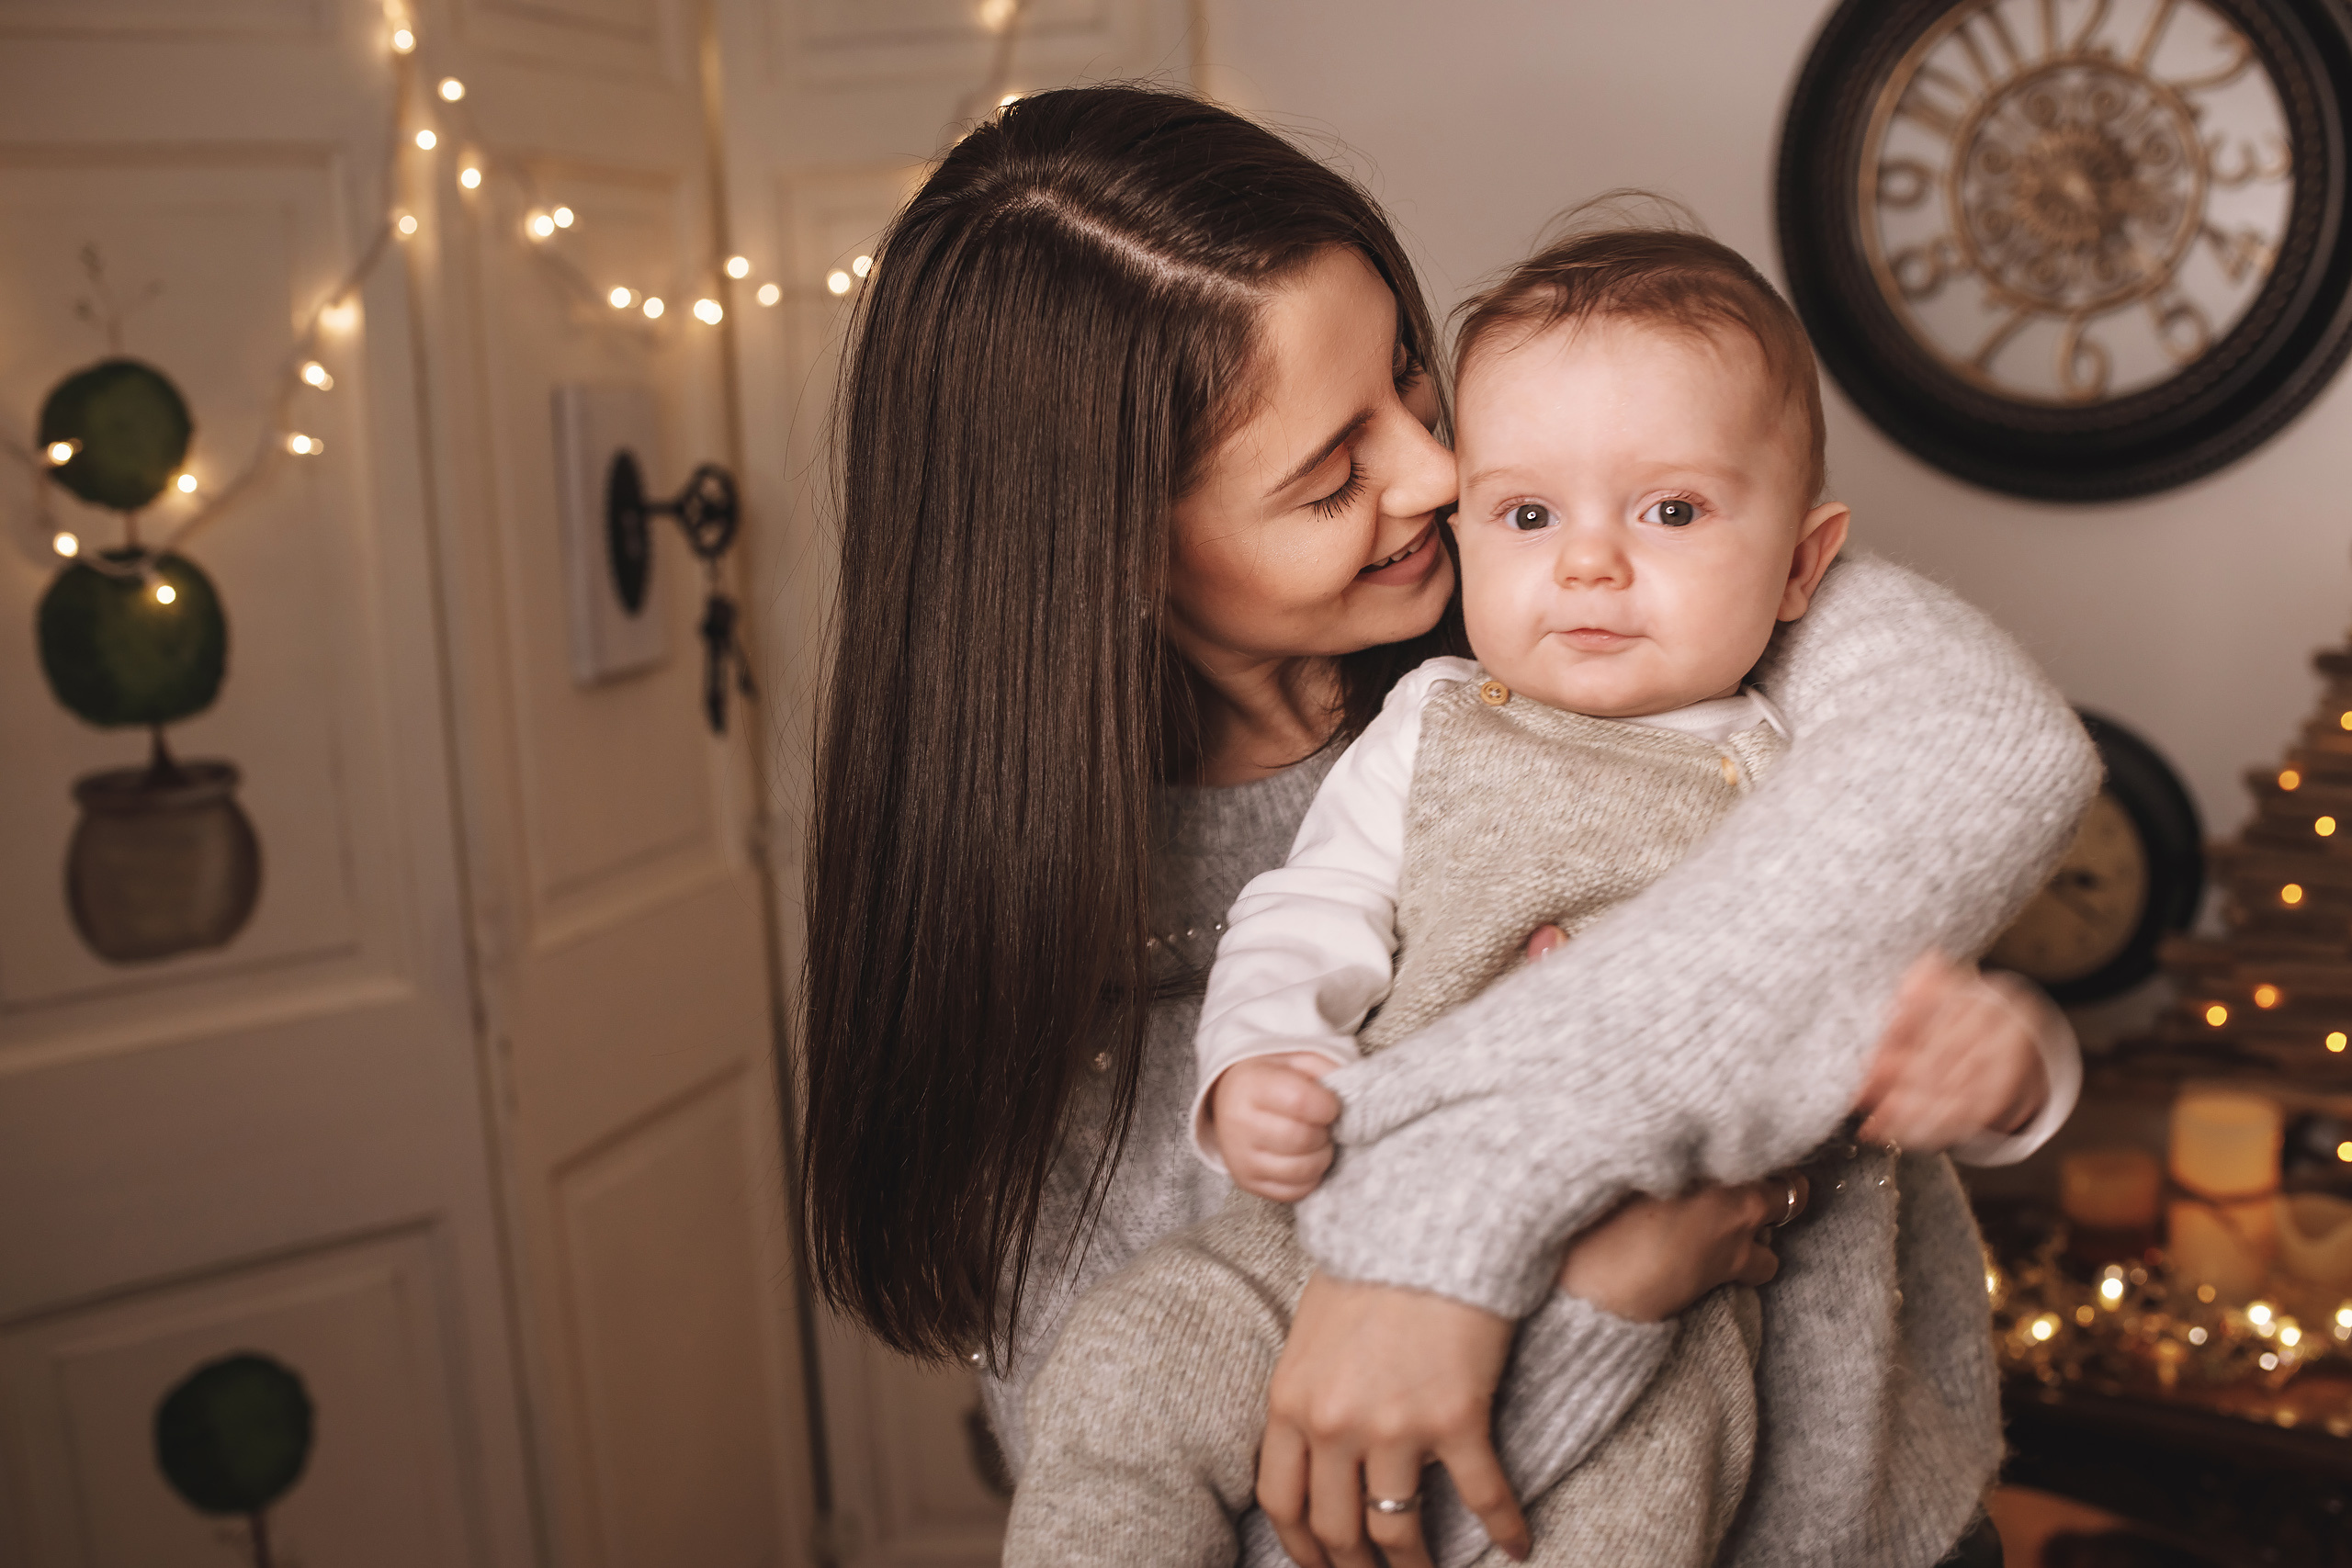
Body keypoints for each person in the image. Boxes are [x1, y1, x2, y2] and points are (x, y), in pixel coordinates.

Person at [797, 85, 2098, 1568]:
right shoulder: (1066, 1016)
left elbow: (1981, 741)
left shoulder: (1643, 604)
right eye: (1332, 471)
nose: (1441, 476)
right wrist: (1611, 1288)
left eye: (1414, 385)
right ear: (1115, 554)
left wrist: (1456, 1210)